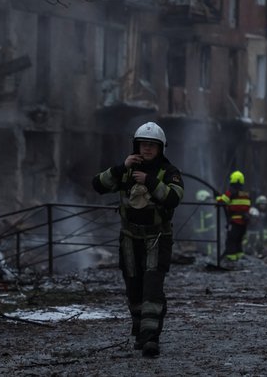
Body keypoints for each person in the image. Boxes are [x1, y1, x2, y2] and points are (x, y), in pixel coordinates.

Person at [92, 122, 184, 358]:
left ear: (161, 148)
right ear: (137, 145)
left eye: (152, 145)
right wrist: (120, 167)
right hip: (129, 240)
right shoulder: (126, 170)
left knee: (152, 288)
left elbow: (174, 198)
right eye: (144, 144)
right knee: (134, 288)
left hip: (157, 238)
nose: (147, 149)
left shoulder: (169, 171)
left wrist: (150, 181)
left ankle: (150, 338)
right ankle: (139, 328)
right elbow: (98, 185)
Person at [216, 170, 251, 263]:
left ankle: (231, 260)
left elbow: (222, 202)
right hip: (244, 222)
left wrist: (217, 197)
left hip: (235, 222)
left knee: (231, 241)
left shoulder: (231, 191)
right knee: (238, 241)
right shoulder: (246, 193)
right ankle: (240, 260)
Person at [194, 189, 216, 256]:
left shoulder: (203, 208)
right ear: (202, 198)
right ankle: (208, 256)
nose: (209, 201)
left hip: (205, 232)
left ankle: (207, 255)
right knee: (206, 246)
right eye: (207, 199)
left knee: (206, 246)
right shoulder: (202, 209)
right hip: (204, 232)